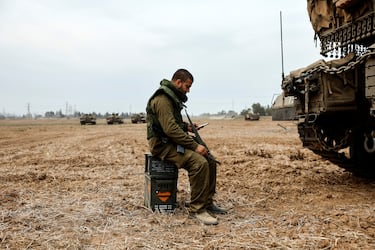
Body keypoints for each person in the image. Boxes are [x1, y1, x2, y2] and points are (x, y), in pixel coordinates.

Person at [146, 68, 227, 225]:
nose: (188, 91)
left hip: (170, 140)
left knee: (208, 159)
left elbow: (172, 124)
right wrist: (195, 146)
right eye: (187, 86)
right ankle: (197, 210)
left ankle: (207, 202)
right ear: (178, 82)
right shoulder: (163, 99)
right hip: (162, 145)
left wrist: (187, 127)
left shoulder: (171, 98)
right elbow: (170, 129)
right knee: (199, 162)